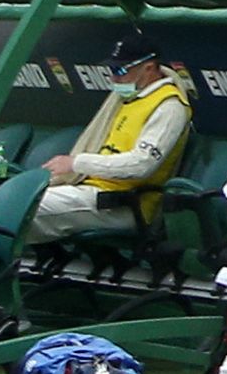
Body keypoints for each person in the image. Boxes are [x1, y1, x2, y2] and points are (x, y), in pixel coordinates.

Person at [31, 26, 195, 241]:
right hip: (89, 191)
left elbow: (141, 165)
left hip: (121, 205)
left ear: (149, 67)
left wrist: (76, 163)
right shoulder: (127, 100)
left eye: (120, 71)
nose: (114, 79)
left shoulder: (169, 106)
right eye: (112, 71)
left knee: (18, 208)